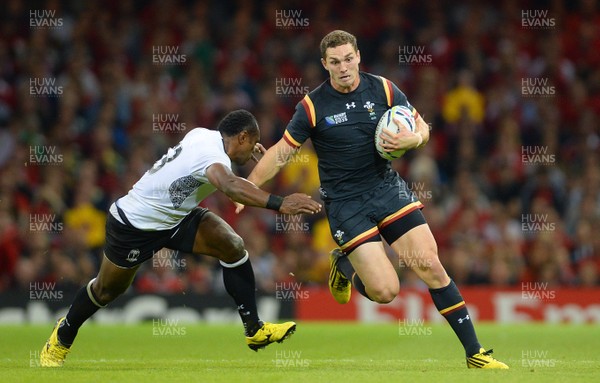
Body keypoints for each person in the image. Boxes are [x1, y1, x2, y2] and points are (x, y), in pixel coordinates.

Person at [239, 30, 508, 369]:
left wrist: (415, 138)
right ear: (325, 64)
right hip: (346, 204)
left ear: (358, 56)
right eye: (335, 62)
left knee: (430, 265)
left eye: (348, 59)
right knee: (385, 292)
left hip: (386, 189)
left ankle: (475, 354)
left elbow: (420, 124)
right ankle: (346, 266)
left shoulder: (382, 88)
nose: (343, 67)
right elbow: (281, 152)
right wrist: (248, 188)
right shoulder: (312, 106)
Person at [40, 109, 322, 367]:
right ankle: (63, 334)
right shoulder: (214, 159)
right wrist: (281, 204)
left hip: (176, 218)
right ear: (243, 136)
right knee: (107, 290)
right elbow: (229, 185)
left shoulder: (202, 134)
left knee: (233, 246)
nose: (253, 150)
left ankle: (254, 330)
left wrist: (245, 159)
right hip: (135, 224)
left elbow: (227, 174)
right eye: (252, 143)